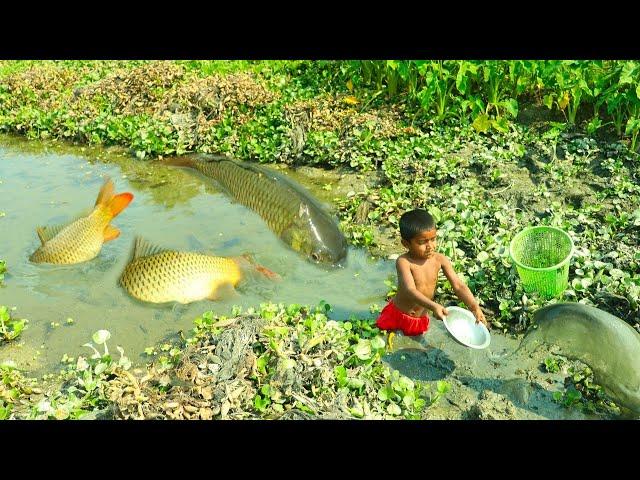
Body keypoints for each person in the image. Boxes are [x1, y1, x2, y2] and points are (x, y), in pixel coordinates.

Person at [377, 209, 487, 339]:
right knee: (383, 337)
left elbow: (458, 286)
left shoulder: (440, 259)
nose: (430, 246)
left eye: (433, 239)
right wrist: (434, 306)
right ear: (406, 244)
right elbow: (409, 291)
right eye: (422, 242)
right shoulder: (404, 262)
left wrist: (474, 307)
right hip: (398, 314)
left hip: (420, 318)